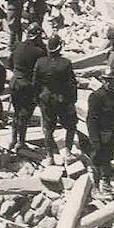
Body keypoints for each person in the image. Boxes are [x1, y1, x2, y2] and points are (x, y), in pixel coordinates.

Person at [32, 34, 78, 166]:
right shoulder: (66, 63)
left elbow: (35, 83)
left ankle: (49, 156)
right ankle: (68, 153)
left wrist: (38, 99)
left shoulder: (40, 62)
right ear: (60, 47)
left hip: (46, 98)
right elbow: (72, 84)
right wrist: (72, 100)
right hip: (62, 99)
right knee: (70, 125)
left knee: (47, 128)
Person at [8, 25, 46, 150]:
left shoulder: (17, 45)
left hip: (15, 82)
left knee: (16, 112)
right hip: (27, 85)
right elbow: (42, 71)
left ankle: (13, 139)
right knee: (25, 114)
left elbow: (9, 64)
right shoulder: (39, 51)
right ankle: (21, 141)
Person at [85, 73, 114, 188]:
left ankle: (106, 182)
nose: (108, 83)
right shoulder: (95, 96)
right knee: (97, 159)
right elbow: (91, 119)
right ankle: (95, 185)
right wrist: (94, 139)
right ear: (102, 80)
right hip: (100, 133)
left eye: (111, 80)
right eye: (106, 80)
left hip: (112, 133)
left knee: (108, 157)